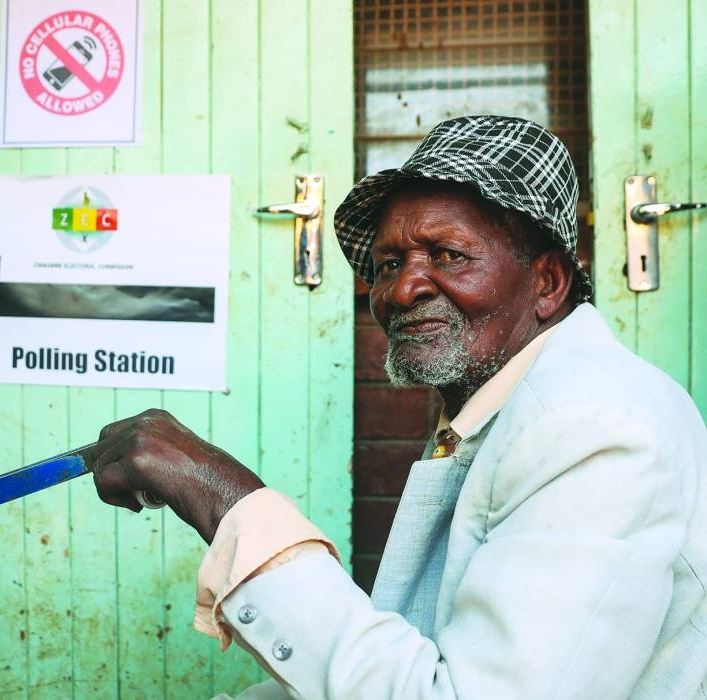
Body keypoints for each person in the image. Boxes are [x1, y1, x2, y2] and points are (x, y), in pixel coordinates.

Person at [90, 116, 707, 699]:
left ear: (547, 284)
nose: (402, 289)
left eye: (448, 256)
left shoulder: (593, 426)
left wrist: (225, 497)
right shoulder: (505, 405)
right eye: (389, 264)